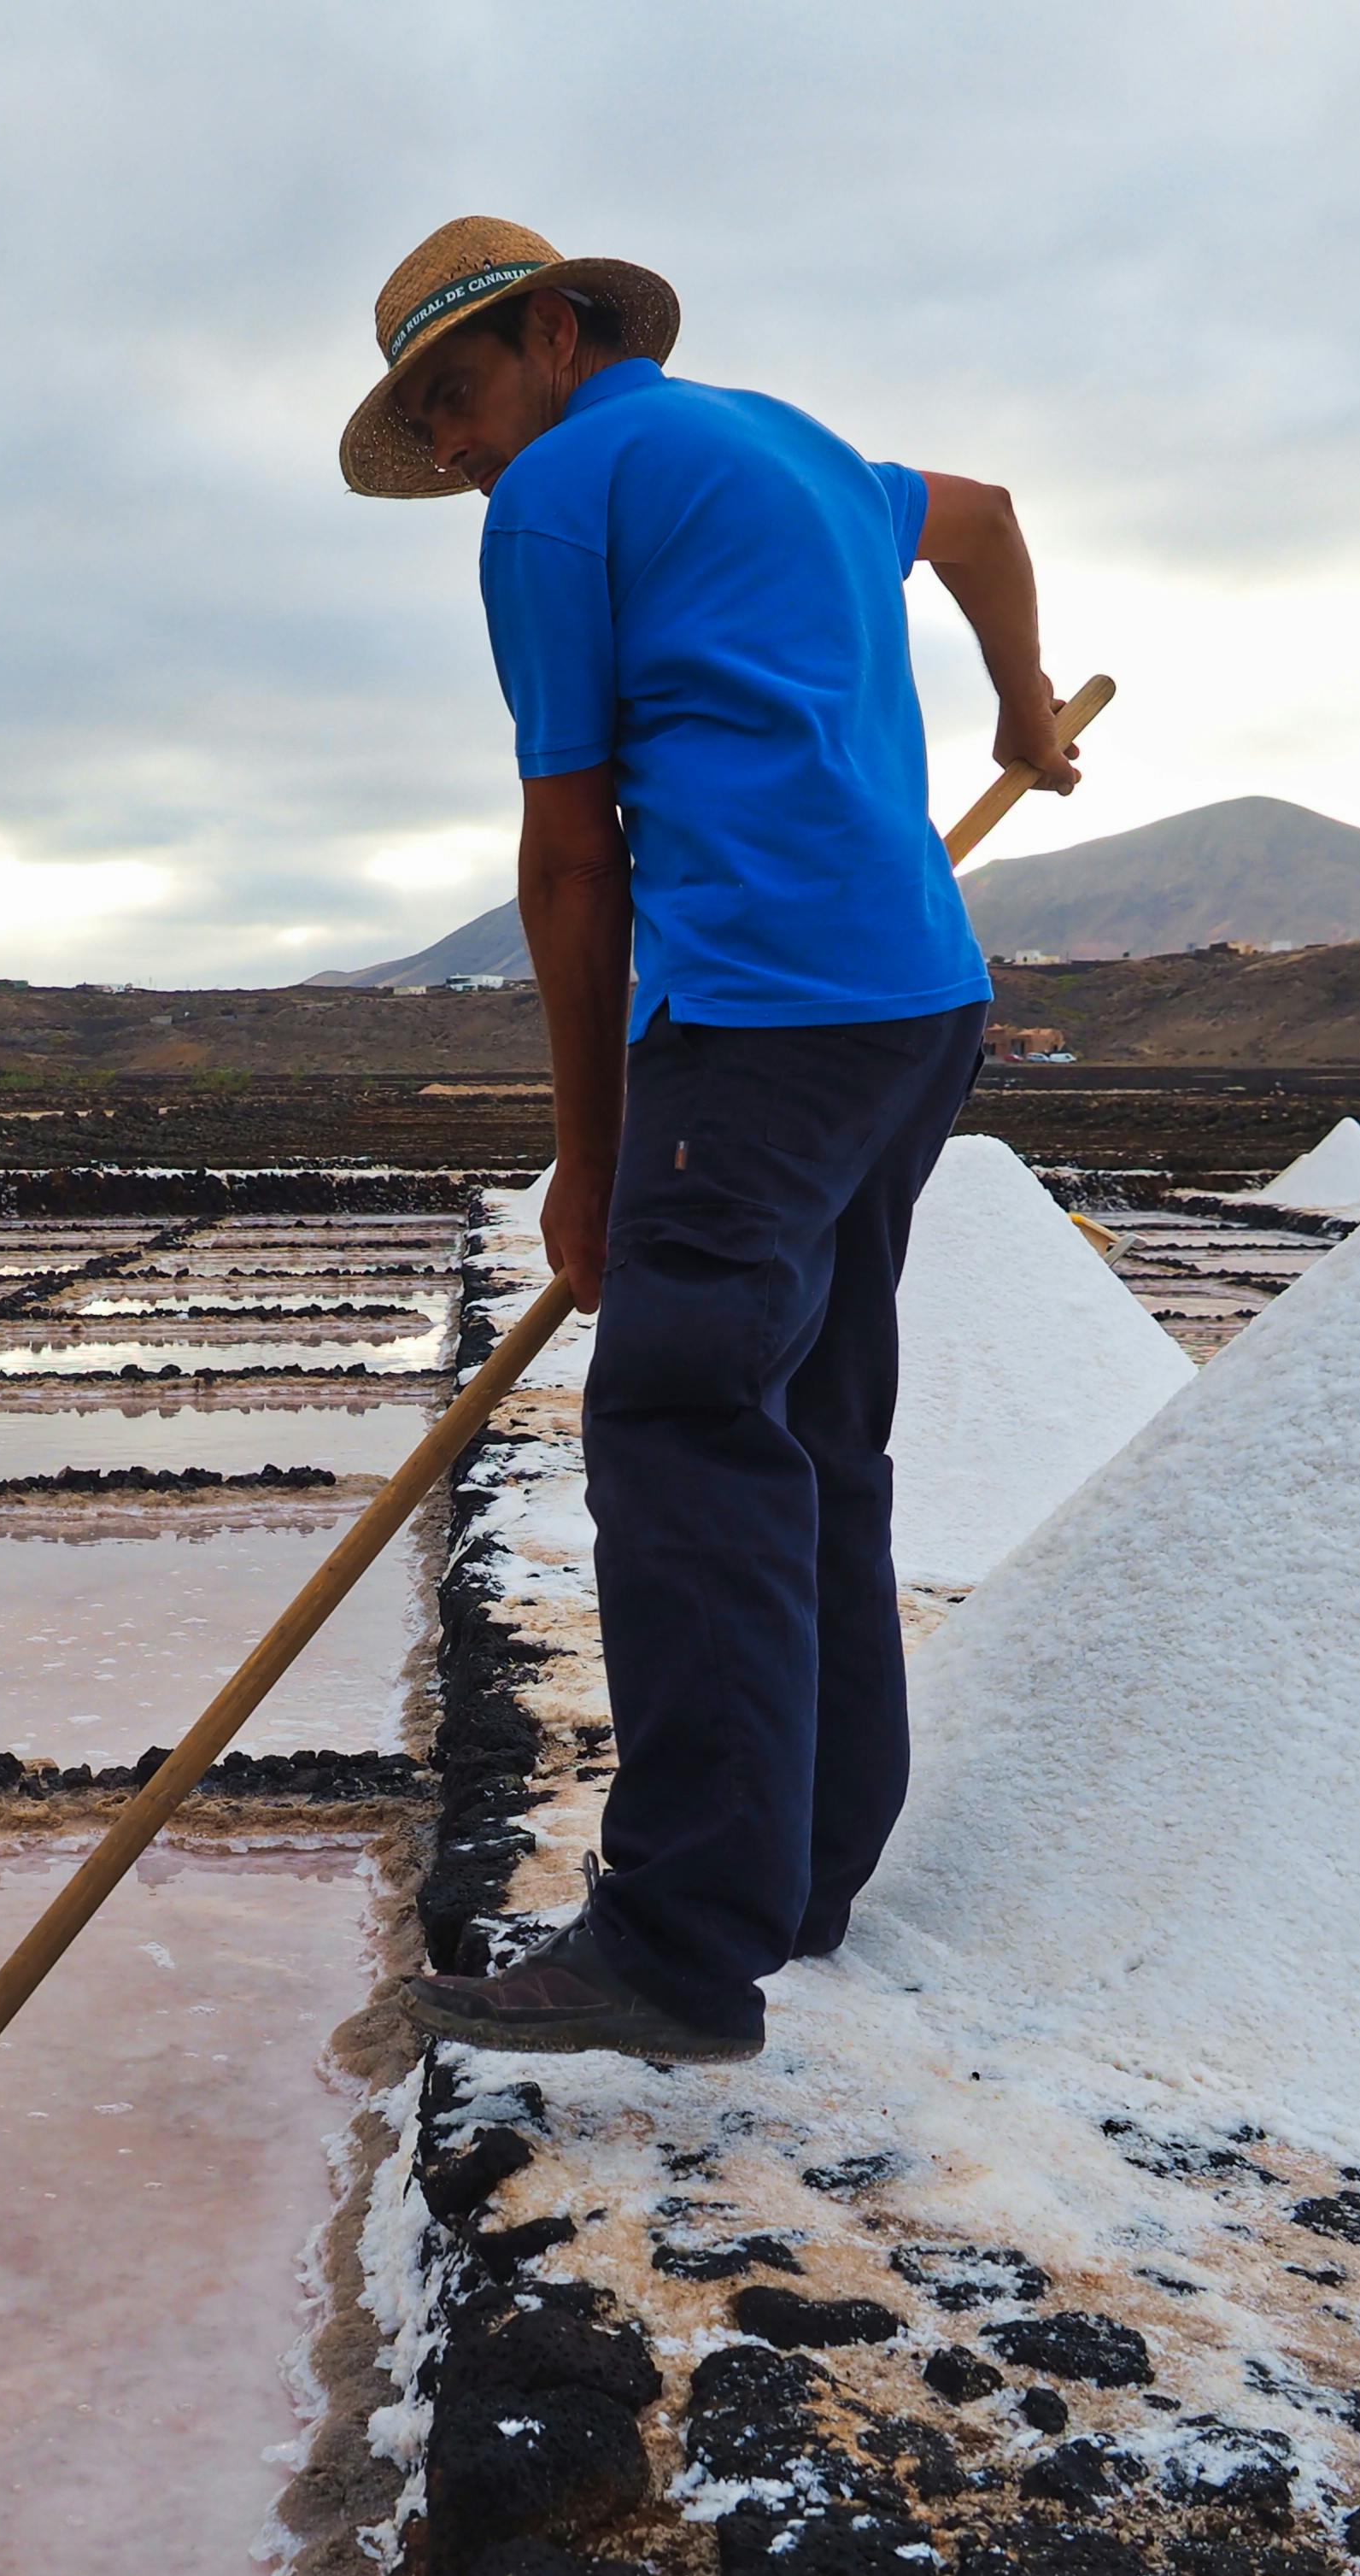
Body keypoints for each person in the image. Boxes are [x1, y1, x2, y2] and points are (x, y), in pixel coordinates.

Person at [342, 217, 1077, 2065]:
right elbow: (980, 516)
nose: (449, 447)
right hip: (914, 1005)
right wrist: (1017, 703)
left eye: (458, 390)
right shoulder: (798, 445)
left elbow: (570, 857)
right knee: (811, 1428)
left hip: (749, 1024)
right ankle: (804, 1872)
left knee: (681, 1433)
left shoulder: (554, 501)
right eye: (423, 418)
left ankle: (676, 1948)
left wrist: (588, 1162)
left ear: (556, 331)